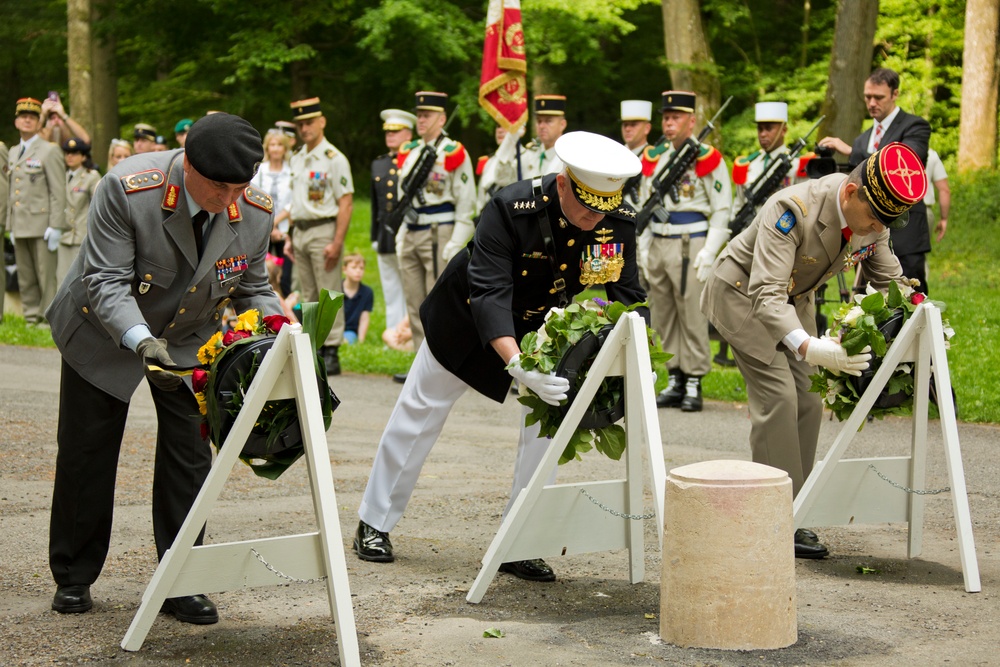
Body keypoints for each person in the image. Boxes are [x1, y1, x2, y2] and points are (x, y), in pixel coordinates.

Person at [353, 131, 646, 583]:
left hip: (546, 332)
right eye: (586, 207)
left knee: (545, 433)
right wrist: (516, 364)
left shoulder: (617, 219)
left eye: (603, 210)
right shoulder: (510, 209)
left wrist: (634, 357)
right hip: (468, 321)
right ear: (563, 183)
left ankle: (520, 537)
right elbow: (489, 292)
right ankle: (375, 520)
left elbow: (628, 296)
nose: (593, 220)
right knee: (419, 412)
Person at [45, 112, 280, 624]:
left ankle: (181, 579)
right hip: (105, 331)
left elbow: (253, 287)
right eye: (221, 188)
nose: (233, 201)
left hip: (191, 337)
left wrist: (281, 328)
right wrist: (141, 340)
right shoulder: (128, 189)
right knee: (88, 451)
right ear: (188, 166)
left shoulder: (254, 209)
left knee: (190, 458)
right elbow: (105, 280)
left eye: (244, 187)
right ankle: (74, 574)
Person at [701, 142, 926, 558]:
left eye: (885, 221)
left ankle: (795, 506)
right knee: (779, 397)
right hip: (742, 295)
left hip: (794, 298)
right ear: (849, 193)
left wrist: (921, 314)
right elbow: (765, 293)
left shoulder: (873, 219)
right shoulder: (791, 208)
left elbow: (890, 281)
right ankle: (774, 516)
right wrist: (810, 347)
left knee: (808, 396)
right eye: (874, 218)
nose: (878, 228)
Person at [643, 91, 732, 412]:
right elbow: (646, 205)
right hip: (659, 241)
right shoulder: (657, 157)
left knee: (692, 313)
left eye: (676, 117)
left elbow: (723, 209)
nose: (668, 123)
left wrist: (709, 252)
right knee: (663, 314)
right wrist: (643, 249)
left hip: (690, 242)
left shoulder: (708, 158)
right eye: (665, 118)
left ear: (691, 121)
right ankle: (676, 376)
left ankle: (694, 379)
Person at [817, 67, 931, 293]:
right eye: (867, 97)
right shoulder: (862, 139)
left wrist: (851, 151)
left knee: (911, 292)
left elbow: (903, 163)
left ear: (894, 94)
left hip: (905, 230)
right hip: (868, 230)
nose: (871, 103)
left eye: (878, 97)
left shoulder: (915, 126)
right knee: (865, 297)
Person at [394, 91, 475, 357]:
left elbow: (466, 202)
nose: (421, 120)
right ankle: (420, 358)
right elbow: (402, 198)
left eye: (427, 115)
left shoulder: (454, 152)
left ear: (441, 119)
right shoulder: (410, 151)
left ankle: (442, 359)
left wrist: (456, 240)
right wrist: (401, 234)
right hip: (412, 230)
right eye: (418, 115)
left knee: (437, 302)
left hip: (439, 231)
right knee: (414, 301)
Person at [286, 97, 354, 374]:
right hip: (301, 230)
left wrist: (337, 241)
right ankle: (313, 345)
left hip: (323, 229)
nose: (305, 128)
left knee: (329, 290)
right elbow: (297, 200)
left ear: (322, 122)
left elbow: (346, 202)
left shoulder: (333, 159)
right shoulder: (298, 157)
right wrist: (291, 235)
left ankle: (333, 348)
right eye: (300, 124)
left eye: (310, 122)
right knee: (309, 293)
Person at [6, 97, 67, 325]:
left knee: (46, 277)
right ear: (17, 123)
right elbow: (13, 191)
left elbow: (58, 190)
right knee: (25, 276)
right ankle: (31, 318)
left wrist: (57, 225)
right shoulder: (13, 152)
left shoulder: (49, 150)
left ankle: (47, 319)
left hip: (43, 224)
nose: (27, 121)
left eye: (32, 117)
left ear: (38, 123)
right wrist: (10, 226)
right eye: (23, 117)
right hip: (20, 224)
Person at [370, 108, 415, 333]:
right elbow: (375, 205)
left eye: (395, 131)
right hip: (386, 234)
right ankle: (392, 332)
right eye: (388, 131)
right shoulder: (379, 164)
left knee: (411, 286)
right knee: (390, 289)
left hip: (407, 231)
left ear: (408, 134)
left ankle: (407, 334)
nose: (390, 135)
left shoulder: (414, 161)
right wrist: (374, 235)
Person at [250, 129, 294, 296]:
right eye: (272, 145)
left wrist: (275, 223)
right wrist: (269, 225)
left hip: (284, 229)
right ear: (267, 148)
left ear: (285, 148)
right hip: (263, 229)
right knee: (263, 273)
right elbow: (254, 196)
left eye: (279, 145)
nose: (275, 149)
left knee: (286, 277)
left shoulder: (291, 171)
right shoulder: (260, 171)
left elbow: (293, 201)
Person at [57, 139, 101, 285]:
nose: (70, 156)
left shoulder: (91, 176)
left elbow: (98, 206)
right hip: (62, 234)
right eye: (67, 153)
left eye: (75, 153)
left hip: (81, 235)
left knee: (79, 281)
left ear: (83, 156)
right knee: (61, 281)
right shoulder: (59, 175)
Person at [523, 94, 568, 176]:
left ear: (562, 124)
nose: (542, 126)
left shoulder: (568, 158)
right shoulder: (530, 155)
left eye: (548, 121)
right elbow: (503, 179)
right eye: (539, 121)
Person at [342, 253, 373, 344]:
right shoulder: (336, 289)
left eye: (361, 268)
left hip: (350, 332)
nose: (358, 271)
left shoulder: (367, 292)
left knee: (348, 340)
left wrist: (361, 341)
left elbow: (364, 318)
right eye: (354, 268)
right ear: (344, 269)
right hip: (334, 329)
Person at [924, 148, 950, 243]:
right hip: (923, 213)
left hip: (892, 211)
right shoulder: (931, 154)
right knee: (918, 255)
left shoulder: (890, 149)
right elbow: (944, 190)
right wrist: (944, 219)